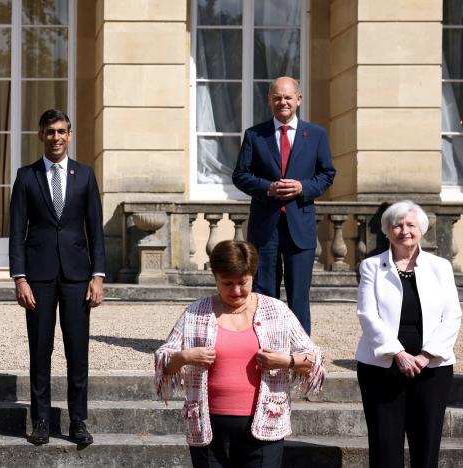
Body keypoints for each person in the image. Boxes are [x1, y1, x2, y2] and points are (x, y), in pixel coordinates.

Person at [154, 240, 325, 468]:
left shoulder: (277, 310)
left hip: (266, 426)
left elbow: (315, 359)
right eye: (227, 283)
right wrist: (185, 357)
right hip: (207, 427)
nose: (236, 291)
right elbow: (163, 362)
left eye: (242, 282)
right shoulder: (195, 312)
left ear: (252, 275)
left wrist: (286, 360)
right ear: (215, 277)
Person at [8, 109, 106, 445]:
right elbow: (16, 231)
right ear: (41, 135)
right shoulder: (25, 177)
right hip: (38, 278)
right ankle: (41, 421)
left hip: (78, 277)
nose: (56, 138)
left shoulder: (86, 176)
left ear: (70, 134)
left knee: (77, 351)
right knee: (40, 350)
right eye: (50, 132)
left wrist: (98, 275)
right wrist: (19, 278)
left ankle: (78, 421)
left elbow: (95, 229)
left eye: (62, 131)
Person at [356, 200, 461, 468]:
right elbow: (368, 315)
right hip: (382, 367)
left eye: (411, 224)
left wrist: (426, 355)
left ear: (421, 229)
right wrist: (399, 353)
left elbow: (452, 316)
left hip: (432, 369)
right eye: (397, 225)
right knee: (384, 447)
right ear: (387, 230)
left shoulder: (440, 266)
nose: (405, 230)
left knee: (426, 449)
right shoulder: (371, 266)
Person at [232, 76, 336, 334]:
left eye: (288, 97)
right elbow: (240, 175)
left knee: (298, 294)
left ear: (298, 100)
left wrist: (303, 188)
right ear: (269, 100)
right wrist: (267, 187)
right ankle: (264, 343)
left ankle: (300, 348)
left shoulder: (316, 135)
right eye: (277, 97)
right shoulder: (255, 135)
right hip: (265, 227)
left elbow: (327, 174)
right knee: (264, 291)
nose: (283, 102)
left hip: (300, 225)